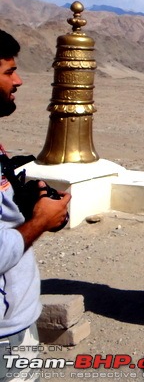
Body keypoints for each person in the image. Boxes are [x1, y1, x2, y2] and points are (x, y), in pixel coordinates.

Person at [0, 30, 71, 380]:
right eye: (8, 72)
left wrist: (27, 204)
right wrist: (39, 222)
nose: (19, 80)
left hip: (18, 320)